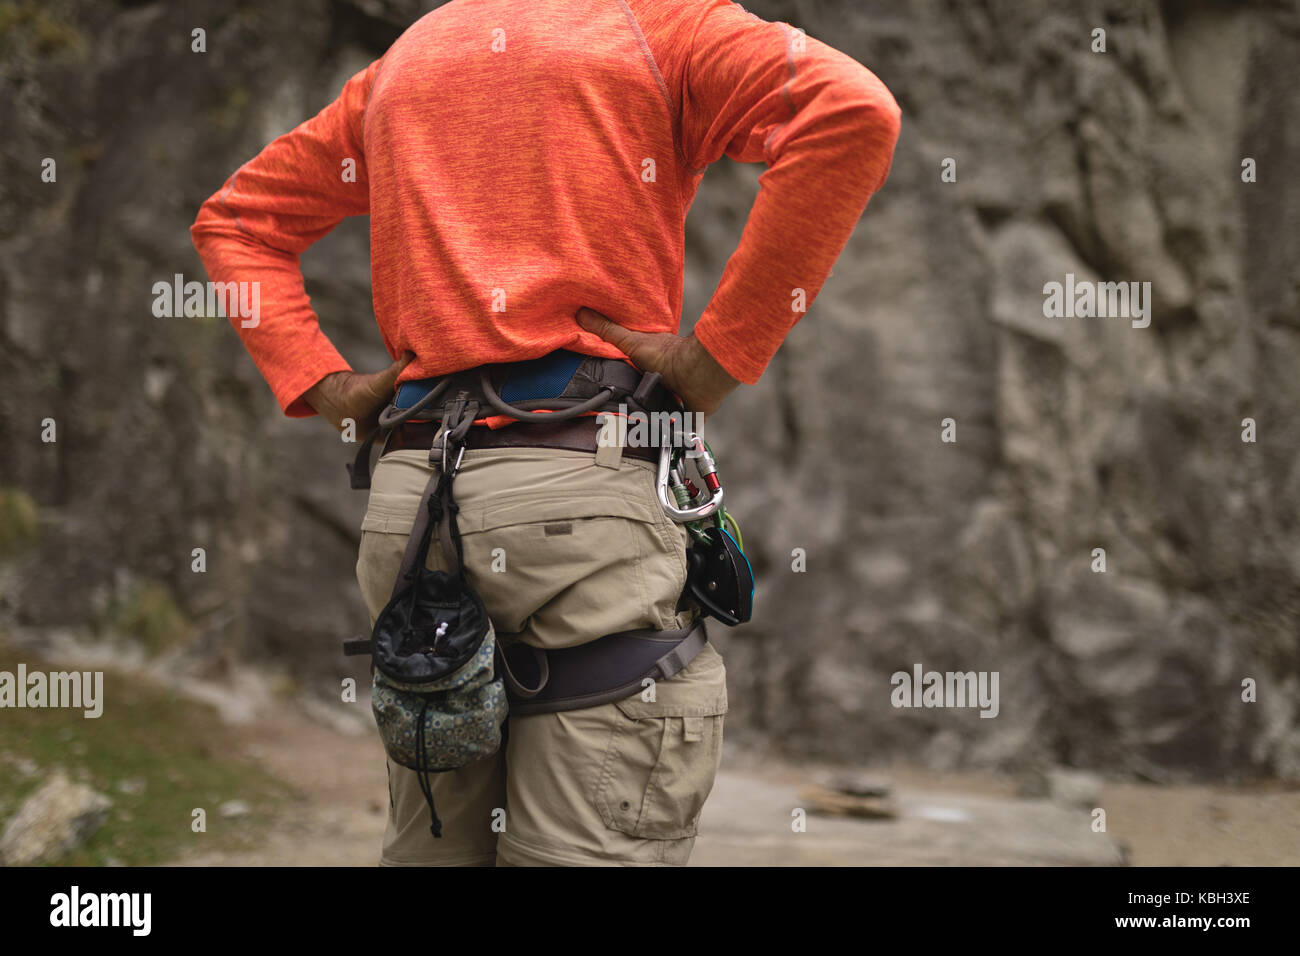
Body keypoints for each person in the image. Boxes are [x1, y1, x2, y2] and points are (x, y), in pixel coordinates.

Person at [191, 0, 900, 866]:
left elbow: (236, 222)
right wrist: (719, 356)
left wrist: (326, 385)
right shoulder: (661, 28)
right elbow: (852, 112)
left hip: (412, 509)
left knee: (434, 844)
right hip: (580, 499)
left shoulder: (407, 62)